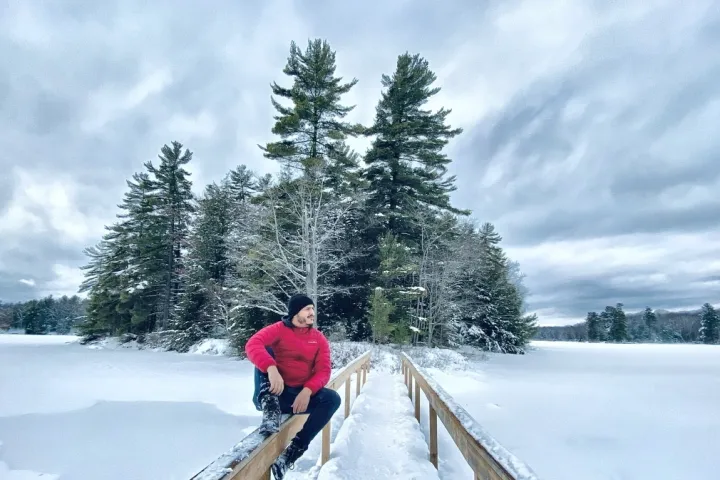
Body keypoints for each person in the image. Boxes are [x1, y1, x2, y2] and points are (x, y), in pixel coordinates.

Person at [245, 293, 341, 479]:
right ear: (295, 312)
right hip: (274, 393)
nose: (312, 313)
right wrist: (271, 368)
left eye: (312, 309)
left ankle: (292, 453)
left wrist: (307, 391)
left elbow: (324, 370)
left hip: (298, 398)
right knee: (264, 352)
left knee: (332, 399)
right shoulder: (278, 330)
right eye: (307, 309)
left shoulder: (318, 338)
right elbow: (252, 344)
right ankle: (270, 411)